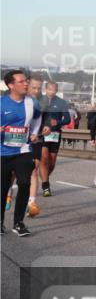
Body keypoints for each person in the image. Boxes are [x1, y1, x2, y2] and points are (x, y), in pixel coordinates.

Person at [2, 70, 44, 236]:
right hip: (2, 151)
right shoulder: (1, 102)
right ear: (11, 85)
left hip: (24, 150)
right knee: (3, 188)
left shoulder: (32, 103)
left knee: (25, 183)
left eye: (26, 81)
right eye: (21, 81)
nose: (25, 84)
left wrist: (34, 132)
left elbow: (38, 119)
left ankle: (19, 223)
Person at [38, 81, 72, 199]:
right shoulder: (39, 101)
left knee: (52, 163)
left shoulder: (61, 102)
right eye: (49, 89)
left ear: (56, 91)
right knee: (44, 159)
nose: (52, 92)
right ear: (45, 89)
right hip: (42, 134)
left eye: (54, 90)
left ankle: (44, 177)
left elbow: (67, 119)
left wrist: (58, 122)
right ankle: (46, 186)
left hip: (55, 134)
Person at [26, 76, 44, 217]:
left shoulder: (42, 102)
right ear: (27, 85)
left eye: (39, 88)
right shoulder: (13, 99)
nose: (36, 91)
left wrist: (48, 127)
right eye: (34, 87)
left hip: (35, 140)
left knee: (34, 170)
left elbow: (44, 120)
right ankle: (8, 192)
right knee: (13, 173)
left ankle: (32, 203)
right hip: (15, 140)